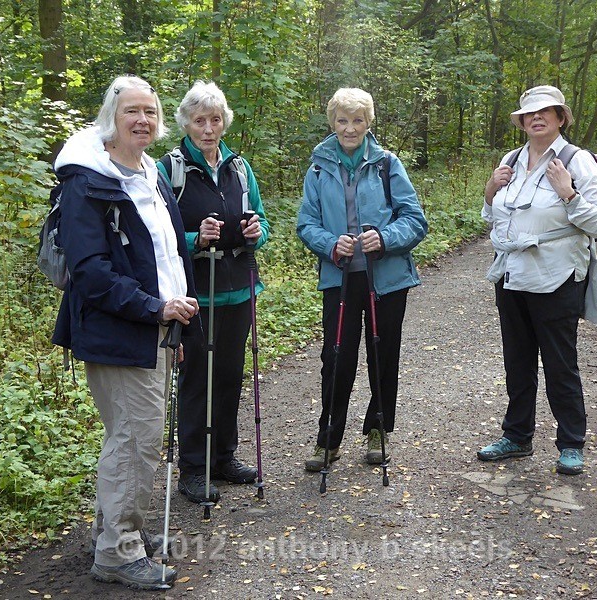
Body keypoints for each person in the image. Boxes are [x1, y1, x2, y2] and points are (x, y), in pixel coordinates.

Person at [51, 75, 201, 590]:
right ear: (110, 118)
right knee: (135, 440)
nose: (142, 119)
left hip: (155, 327)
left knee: (138, 436)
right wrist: (156, 309)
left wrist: (173, 321)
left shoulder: (151, 172)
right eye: (131, 110)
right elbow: (91, 272)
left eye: (150, 112)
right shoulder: (86, 181)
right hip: (118, 330)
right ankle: (117, 551)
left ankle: (120, 531)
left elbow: (167, 254)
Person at [477, 85, 597, 476]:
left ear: (560, 118)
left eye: (546, 112)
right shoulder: (511, 159)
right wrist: (490, 190)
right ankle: (517, 437)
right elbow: (493, 217)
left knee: (559, 363)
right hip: (512, 273)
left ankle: (571, 444)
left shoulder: (577, 160)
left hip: (556, 276)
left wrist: (568, 194)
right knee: (517, 362)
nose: (537, 118)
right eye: (529, 114)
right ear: (521, 122)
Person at [296, 87, 427, 472]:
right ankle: (329, 439)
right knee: (336, 358)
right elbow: (306, 223)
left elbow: (415, 220)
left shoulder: (387, 164)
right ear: (332, 123)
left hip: (385, 278)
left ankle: (379, 429)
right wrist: (330, 243)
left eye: (357, 120)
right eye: (342, 120)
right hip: (340, 278)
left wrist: (384, 238)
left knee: (382, 355)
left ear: (369, 122)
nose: (350, 128)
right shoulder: (318, 167)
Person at [157, 81, 270, 504]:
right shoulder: (168, 169)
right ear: (185, 123)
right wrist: (195, 239)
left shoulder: (239, 167)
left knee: (227, 376)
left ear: (224, 123)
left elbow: (261, 219)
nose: (208, 128)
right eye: (200, 120)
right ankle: (193, 468)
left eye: (215, 119)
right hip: (194, 295)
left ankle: (224, 456)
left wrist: (257, 233)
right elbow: (159, 235)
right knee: (195, 380)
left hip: (238, 289)